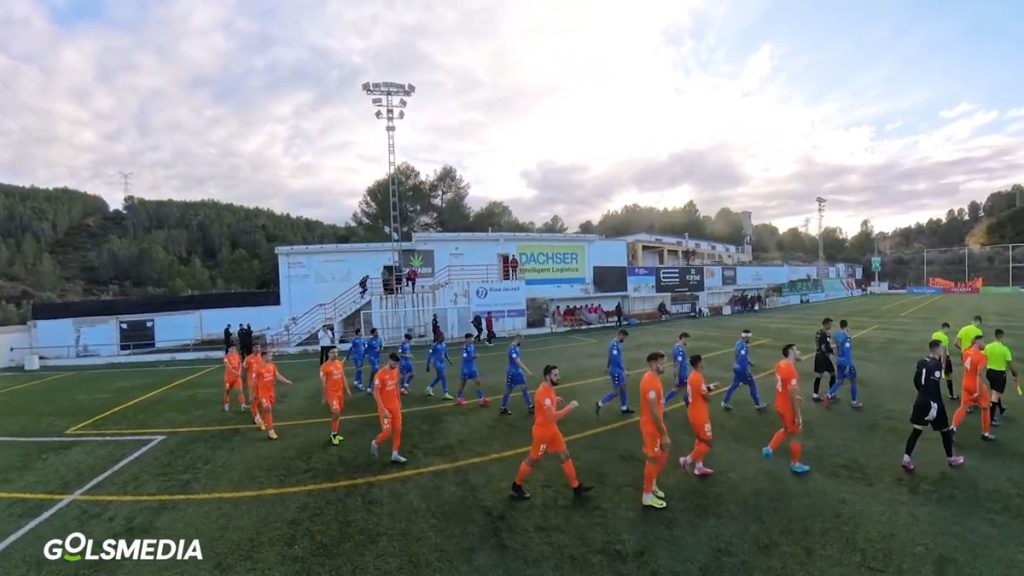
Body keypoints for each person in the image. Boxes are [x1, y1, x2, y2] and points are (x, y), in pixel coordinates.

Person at [509, 364, 593, 501]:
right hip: (542, 434)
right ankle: (516, 485)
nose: (558, 377)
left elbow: (548, 402)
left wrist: (555, 399)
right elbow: (551, 417)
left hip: (552, 430)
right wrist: (570, 407)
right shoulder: (543, 392)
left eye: (557, 374)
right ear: (547, 377)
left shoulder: (549, 389)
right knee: (534, 459)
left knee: (565, 454)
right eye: (555, 375)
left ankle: (576, 487)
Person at [902, 339, 965, 472]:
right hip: (934, 403)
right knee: (945, 431)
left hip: (920, 401)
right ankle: (951, 459)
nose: (943, 351)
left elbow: (916, 381)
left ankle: (906, 459)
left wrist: (922, 393)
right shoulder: (936, 365)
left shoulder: (922, 361)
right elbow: (933, 385)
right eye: (942, 349)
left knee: (916, 431)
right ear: (937, 350)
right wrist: (934, 404)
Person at [762, 344, 810, 474]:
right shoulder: (791, 371)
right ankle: (795, 464)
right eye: (796, 350)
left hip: (779, 405)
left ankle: (769, 449)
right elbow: (792, 394)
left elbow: (782, 385)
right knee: (795, 435)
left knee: (785, 429)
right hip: (788, 408)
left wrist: (792, 395)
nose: (799, 351)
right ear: (790, 352)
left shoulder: (780, 364)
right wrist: (798, 415)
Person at [640, 351, 671, 509]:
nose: (665, 365)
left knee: (665, 449)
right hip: (651, 427)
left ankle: (652, 484)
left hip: (656, 424)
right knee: (652, 458)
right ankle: (647, 495)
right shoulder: (650, 382)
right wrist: (663, 433)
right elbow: (652, 411)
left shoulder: (654, 378)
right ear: (653, 364)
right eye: (662, 363)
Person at [680, 354, 719, 476]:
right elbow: (706, 397)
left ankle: (699, 467)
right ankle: (687, 460)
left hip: (694, 413)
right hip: (699, 415)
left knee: (700, 440)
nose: (704, 362)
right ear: (699, 363)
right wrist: (708, 395)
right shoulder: (697, 377)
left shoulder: (693, 376)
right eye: (702, 361)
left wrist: (711, 387)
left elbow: (700, 390)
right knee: (708, 443)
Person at [952, 335, 996, 441]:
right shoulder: (981, 356)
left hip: (965, 382)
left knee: (963, 406)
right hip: (975, 385)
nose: (985, 344)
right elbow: (978, 375)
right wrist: (978, 391)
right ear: (977, 341)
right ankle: (985, 433)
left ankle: (952, 428)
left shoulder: (966, 352)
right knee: (985, 408)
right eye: (983, 342)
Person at [371, 353, 407, 463]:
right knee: (387, 432)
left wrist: (399, 401)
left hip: (395, 407)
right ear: (389, 360)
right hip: (385, 410)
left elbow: (396, 385)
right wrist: (383, 409)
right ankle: (375, 443)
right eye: (393, 363)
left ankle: (395, 454)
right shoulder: (380, 375)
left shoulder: (396, 370)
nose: (395, 365)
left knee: (398, 430)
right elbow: (375, 393)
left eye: (397, 363)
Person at [722, 330, 766, 411]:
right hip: (742, 370)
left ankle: (725, 401)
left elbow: (737, 354)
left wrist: (749, 362)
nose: (750, 339)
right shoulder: (743, 346)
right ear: (746, 337)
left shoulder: (738, 343)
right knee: (752, 384)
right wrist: (746, 370)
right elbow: (742, 358)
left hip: (736, 368)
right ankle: (758, 404)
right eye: (749, 337)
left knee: (734, 385)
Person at [255, 350, 294, 440]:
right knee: (268, 409)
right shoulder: (258, 367)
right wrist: (252, 393)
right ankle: (271, 431)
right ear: (264, 356)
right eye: (270, 355)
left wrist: (286, 381)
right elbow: (254, 381)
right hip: (262, 392)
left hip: (271, 392)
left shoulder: (272, 365)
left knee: (267, 409)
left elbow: (277, 375)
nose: (271, 357)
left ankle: (260, 420)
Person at [984, 329, 1018, 426]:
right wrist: (1014, 373)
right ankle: (990, 419)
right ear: (1002, 337)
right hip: (1000, 374)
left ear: (994, 336)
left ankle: (1001, 408)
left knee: (996, 391)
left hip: (989, 372)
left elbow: (983, 356)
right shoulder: (1005, 349)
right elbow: (1009, 364)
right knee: (995, 395)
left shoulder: (988, 347)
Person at [595, 329, 633, 416]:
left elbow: (610, 357)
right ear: (620, 335)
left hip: (617, 371)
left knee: (623, 388)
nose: (624, 339)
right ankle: (600, 403)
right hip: (616, 372)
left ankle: (624, 408)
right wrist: (624, 371)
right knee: (616, 392)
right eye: (624, 337)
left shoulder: (614, 343)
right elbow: (616, 360)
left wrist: (607, 367)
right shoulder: (615, 345)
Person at [825, 319, 862, 408]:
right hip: (846, 362)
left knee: (840, 381)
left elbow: (833, 345)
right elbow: (847, 351)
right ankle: (854, 402)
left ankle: (828, 395)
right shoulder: (847, 338)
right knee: (854, 381)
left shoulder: (837, 335)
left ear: (840, 326)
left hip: (839, 361)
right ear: (846, 326)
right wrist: (848, 366)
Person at [320, 348, 352, 445]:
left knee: (338, 413)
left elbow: (343, 377)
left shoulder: (339, 363)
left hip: (340, 392)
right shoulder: (324, 367)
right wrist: (324, 396)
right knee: (336, 411)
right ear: (328, 354)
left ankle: (335, 432)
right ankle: (333, 434)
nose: (335, 354)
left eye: (336, 352)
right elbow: (323, 383)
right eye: (333, 352)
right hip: (331, 393)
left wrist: (347, 390)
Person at [500, 334, 534, 415]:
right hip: (515, 372)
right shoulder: (512, 348)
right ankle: (530, 407)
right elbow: (517, 361)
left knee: (515, 389)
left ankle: (503, 407)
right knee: (519, 389)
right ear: (518, 338)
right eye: (521, 339)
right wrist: (527, 370)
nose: (522, 341)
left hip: (512, 372)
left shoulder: (514, 347)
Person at [458, 333, 489, 407]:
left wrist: (474, 356)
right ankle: (459, 398)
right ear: (467, 339)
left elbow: (472, 355)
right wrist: (474, 356)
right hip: (465, 369)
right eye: (472, 338)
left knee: (478, 382)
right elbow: (465, 358)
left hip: (472, 369)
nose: (473, 339)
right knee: (463, 384)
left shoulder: (472, 345)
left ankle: (481, 399)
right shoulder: (464, 347)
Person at [931, 322, 959, 400]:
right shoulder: (945, 338)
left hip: (935, 357)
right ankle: (951, 394)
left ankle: (933, 393)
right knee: (949, 376)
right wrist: (943, 363)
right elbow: (944, 351)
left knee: (935, 376)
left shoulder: (934, 335)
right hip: (943, 358)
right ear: (946, 328)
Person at [812, 318, 836, 402]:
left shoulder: (818, 332)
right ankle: (831, 394)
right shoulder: (824, 334)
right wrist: (832, 350)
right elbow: (824, 347)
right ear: (826, 324)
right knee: (832, 374)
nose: (830, 326)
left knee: (820, 375)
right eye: (830, 324)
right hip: (823, 357)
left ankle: (815, 395)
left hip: (819, 356)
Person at [664, 332, 690, 406]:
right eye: (686, 339)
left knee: (684, 389)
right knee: (681, 389)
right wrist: (677, 377)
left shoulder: (677, 347)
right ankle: (688, 404)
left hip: (682, 373)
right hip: (682, 374)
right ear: (683, 338)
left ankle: (688, 404)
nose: (687, 341)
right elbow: (677, 364)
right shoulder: (679, 350)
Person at [425, 334, 454, 399]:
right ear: (438, 337)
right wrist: (428, 365)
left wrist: (449, 361)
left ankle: (430, 387)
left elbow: (445, 354)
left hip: (442, 363)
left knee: (439, 377)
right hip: (436, 364)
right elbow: (430, 356)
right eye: (442, 337)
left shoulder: (444, 345)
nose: (443, 338)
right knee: (443, 377)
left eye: (444, 337)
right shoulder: (434, 346)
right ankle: (445, 393)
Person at [243, 343, 263, 424]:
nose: (258, 349)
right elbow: (244, 370)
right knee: (254, 399)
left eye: (259, 347)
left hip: (261, 381)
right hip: (252, 382)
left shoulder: (261, 357)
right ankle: (256, 417)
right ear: (253, 348)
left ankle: (254, 410)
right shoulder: (248, 359)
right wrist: (242, 381)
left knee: (261, 399)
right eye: (256, 347)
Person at [223, 345, 247, 412]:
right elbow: (228, 367)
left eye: (234, 348)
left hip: (237, 378)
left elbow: (240, 364)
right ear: (229, 349)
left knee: (240, 391)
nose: (233, 350)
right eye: (232, 348)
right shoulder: (226, 357)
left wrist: (239, 372)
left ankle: (243, 405)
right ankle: (226, 404)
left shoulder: (237, 355)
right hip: (229, 378)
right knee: (227, 392)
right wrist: (235, 372)